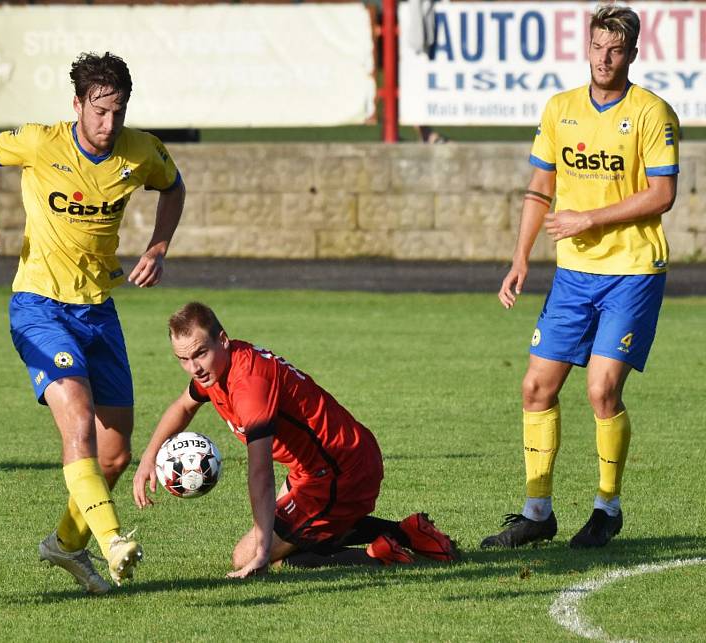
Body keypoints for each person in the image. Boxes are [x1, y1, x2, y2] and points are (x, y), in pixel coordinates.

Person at [0, 52, 186, 593]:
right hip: (38, 306)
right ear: (78, 105)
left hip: (99, 311)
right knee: (79, 418)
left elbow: (174, 186)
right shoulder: (42, 143)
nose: (109, 125)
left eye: (118, 112)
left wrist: (157, 248)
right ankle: (112, 540)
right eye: (99, 111)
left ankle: (64, 546)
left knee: (114, 455)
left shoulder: (141, 152)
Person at [482, 5, 679, 550]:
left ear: (632, 54)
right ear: (586, 47)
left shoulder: (651, 113)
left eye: (615, 49)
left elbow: (663, 195)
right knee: (536, 387)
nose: (603, 58)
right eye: (596, 46)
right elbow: (540, 188)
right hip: (573, 276)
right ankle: (536, 511)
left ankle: (606, 508)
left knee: (601, 390)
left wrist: (588, 219)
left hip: (632, 271)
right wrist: (520, 258)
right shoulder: (560, 109)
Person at [133, 302, 459, 576]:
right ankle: (408, 532)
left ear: (223, 339)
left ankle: (385, 554)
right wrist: (149, 458)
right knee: (288, 542)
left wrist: (262, 551)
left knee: (250, 556)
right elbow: (183, 406)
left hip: (340, 472)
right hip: (319, 466)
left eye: (200, 353)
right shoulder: (217, 367)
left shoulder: (249, 384)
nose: (193, 367)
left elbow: (260, 471)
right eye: (183, 359)